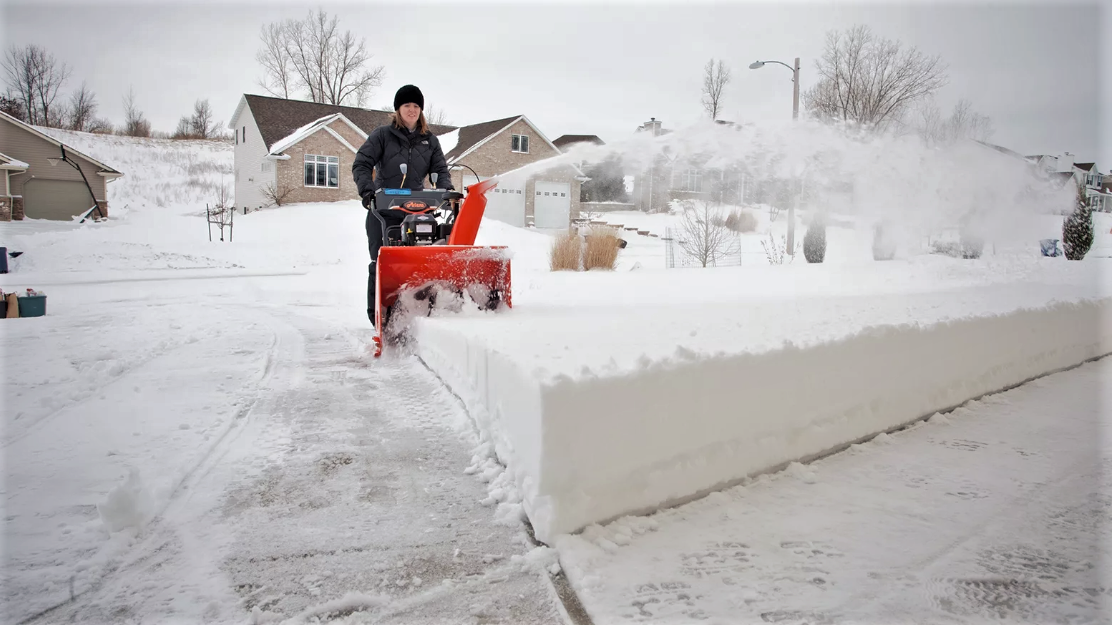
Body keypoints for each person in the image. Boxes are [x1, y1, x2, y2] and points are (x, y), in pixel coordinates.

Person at [352, 84, 453, 325]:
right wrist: (368, 192)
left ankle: (425, 309)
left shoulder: (430, 141)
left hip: (419, 211)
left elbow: (440, 169)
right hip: (384, 211)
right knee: (381, 261)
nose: (412, 110)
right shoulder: (382, 136)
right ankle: (380, 319)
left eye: (416, 106)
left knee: (424, 261)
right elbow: (362, 164)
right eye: (407, 105)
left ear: (421, 110)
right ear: (398, 109)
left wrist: (447, 191)